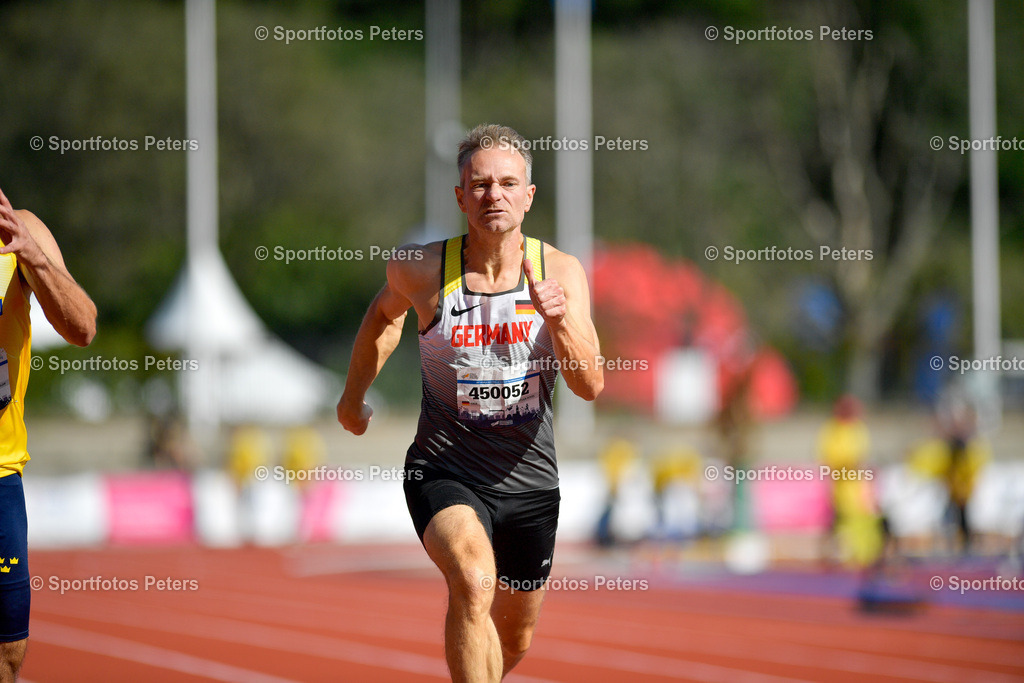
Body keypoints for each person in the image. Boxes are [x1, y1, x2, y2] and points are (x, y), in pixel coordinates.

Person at [337, 123, 603, 681]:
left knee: (515, 636)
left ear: (529, 195)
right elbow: (384, 315)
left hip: (529, 481)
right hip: (444, 468)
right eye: (479, 185)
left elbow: (591, 384)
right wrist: (353, 398)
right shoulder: (422, 268)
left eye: (508, 183)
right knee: (474, 580)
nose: (494, 196)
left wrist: (559, 322)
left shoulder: (562, 273)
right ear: (460, 196)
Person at [0, 186, 97, 682]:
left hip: (0, 474)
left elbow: (83, 327)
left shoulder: (21, 228)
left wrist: (32, 254)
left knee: (8, 654)